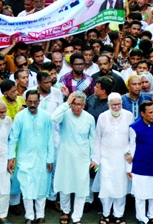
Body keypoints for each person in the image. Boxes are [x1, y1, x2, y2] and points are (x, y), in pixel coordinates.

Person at [8, 89, 55, 224]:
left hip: (42, 158)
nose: (33, 105)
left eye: (35, 102)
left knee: (41, 186)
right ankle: (29, 216)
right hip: (24, 159)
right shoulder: (20, 117)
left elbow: (50, 138)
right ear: (26, 102)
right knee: (27, 187)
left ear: (39, 102)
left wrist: (50, 158)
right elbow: (13, 138)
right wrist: (11, 157)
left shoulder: (46, 116)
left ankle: (40, 216)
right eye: (30, 102)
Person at [51, 92, 96, 224]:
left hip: (82, 157)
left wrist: (93, 158)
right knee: (65, 185)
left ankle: (77, 217)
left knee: (81, 188)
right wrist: (66, 104)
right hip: (65, 156)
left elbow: (92, 139)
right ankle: (65, 211)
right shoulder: (65, 114)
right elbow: (54, 118)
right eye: (74, 104)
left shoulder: (89, 118)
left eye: (79, 104)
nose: (76, 107)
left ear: (84, 105)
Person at [93, 93, 133, 223]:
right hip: (106, 158)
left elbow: (131, 139)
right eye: (114, 105)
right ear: (108, 105)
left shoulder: (128, 115)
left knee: (120, 186)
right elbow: (97, 139)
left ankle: (118, 215)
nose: (116, 107)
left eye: (119, 104)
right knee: (106, 186)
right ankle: (105, 214)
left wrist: (128, 154)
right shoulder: (102, 117)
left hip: (122, 158)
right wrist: (96, 159)